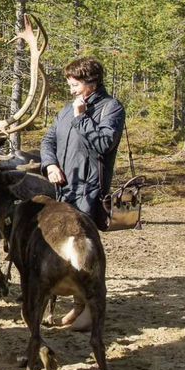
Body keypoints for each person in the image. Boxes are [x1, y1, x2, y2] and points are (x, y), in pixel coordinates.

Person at [40, 56, 125, 330]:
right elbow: (49, 139)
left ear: (91, 82)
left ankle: (90, 308)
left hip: (89, 191)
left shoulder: (111, 109)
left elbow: (103, 144)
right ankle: (76, 304)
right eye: (70, 84)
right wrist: (50, 163)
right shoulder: (67, 109)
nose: (71, 89)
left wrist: (81, 118)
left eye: (75, 84)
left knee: (86, 253)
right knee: (63, 250)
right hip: (63, 190)